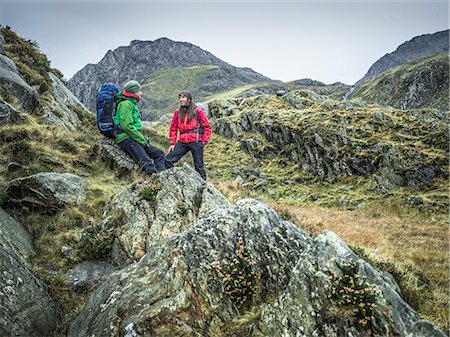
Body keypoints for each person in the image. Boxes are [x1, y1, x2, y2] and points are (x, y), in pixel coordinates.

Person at [115, 80, 165, 175]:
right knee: (147, 163)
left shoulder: (131, 103)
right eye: (139, 91)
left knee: (159, 154)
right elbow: (127, 126)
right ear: (133, 92)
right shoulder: (125, 104)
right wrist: (143, 141)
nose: (141, 93)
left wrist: (142, 140)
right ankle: (157, 180)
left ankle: (160, 176)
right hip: (126, 138)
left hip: (133, 137)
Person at [165, 91, 212, 180]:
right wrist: (172, 143)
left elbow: (207, 127)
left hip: (196, 141)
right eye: (180, 98)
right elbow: (173, 128)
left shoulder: (197, 111)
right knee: (167, 160)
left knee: (199, 166)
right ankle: (174, 181)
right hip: (182, 141)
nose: (180, 100)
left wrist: (204, 141)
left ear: (189, 99)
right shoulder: (177, 112)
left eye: (183, 97)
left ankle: (203, 187)